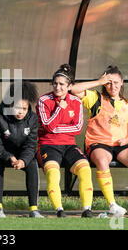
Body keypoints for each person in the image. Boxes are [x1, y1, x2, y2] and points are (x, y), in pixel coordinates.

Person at [71, 65, 128, 218]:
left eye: (116, 82)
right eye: (109, 82)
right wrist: (99, 81)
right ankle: (112, 204)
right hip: (98, 142)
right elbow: (74, 89)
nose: (113, 86)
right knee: (102, 160)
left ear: (122, 82)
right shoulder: (96, 98)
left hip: (120, 144)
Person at [36, 64, 93, 218]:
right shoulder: (43, 100)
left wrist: (56, 127)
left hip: (69, 145)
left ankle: (86, 209)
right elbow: (48, 127)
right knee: (53, 173)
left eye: (62, 84)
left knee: (85, 170)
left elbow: (77, 128)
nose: (58, 87)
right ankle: (59, 210)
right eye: (55, 83)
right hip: (48, 145)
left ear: (69, 86)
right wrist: (60, 109)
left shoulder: (76, 101)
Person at [0, 81, 43, 218]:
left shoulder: (33, 119)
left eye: (24, 108)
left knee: (32, 163)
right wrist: (9, 157)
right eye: (17, 107)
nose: (20, 112)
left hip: (19, 155)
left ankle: (34, 209)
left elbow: (31, 145)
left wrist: (23, 160)